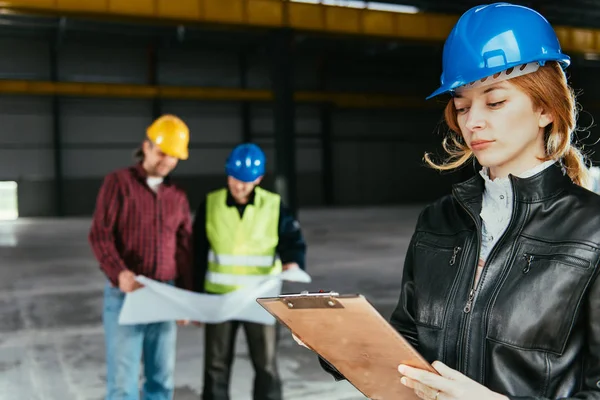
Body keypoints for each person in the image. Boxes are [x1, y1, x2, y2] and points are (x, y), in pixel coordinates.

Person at [309, 3, 600, 400]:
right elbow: (407, 348)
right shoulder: (437, 221)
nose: (471, 121)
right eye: (461, 106)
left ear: (545, 108)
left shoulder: (593, 230)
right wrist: (337, 342)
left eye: (494, 102)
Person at [89, 114, 194, 400]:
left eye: (174, 157)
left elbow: (185, 250)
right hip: (126, 295)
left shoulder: (177, 196)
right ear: (145, 146)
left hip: (165, 294)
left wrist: (185, 299)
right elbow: (100, 234)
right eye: (162, 153)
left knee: (161, 382)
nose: (167, 161)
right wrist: (118, 272)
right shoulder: (118, 184)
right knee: (123, 384)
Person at [192, 143, 307, 400]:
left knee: (266, 366)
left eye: (246, 181)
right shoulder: (210, 204)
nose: (239, 186)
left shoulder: (274, 205)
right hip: (220, 299)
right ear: (227, 173)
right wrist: (196, 297)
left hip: (260, 299)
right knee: (215, 367)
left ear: (259, 179)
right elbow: (197, 253)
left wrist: (292, 262)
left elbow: (292, 240)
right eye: (234, 178)